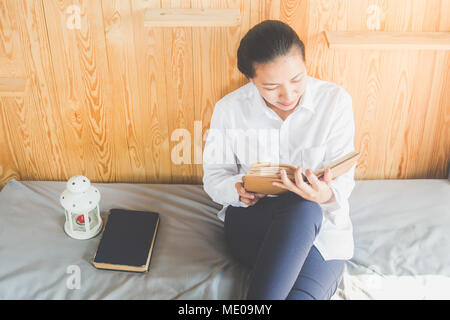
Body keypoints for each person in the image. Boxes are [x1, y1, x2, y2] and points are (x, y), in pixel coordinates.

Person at [202, 20, 357, 300]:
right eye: (271, 86)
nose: (288, 95)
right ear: (251, 79)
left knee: (306, 208)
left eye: (297, 79)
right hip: (254, 222)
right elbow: (214, 178)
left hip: (321, 230)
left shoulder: (335, 102)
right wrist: (238, 190)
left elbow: (343, 178)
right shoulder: (229, 110)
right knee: (303, 209)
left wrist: (324, 193)